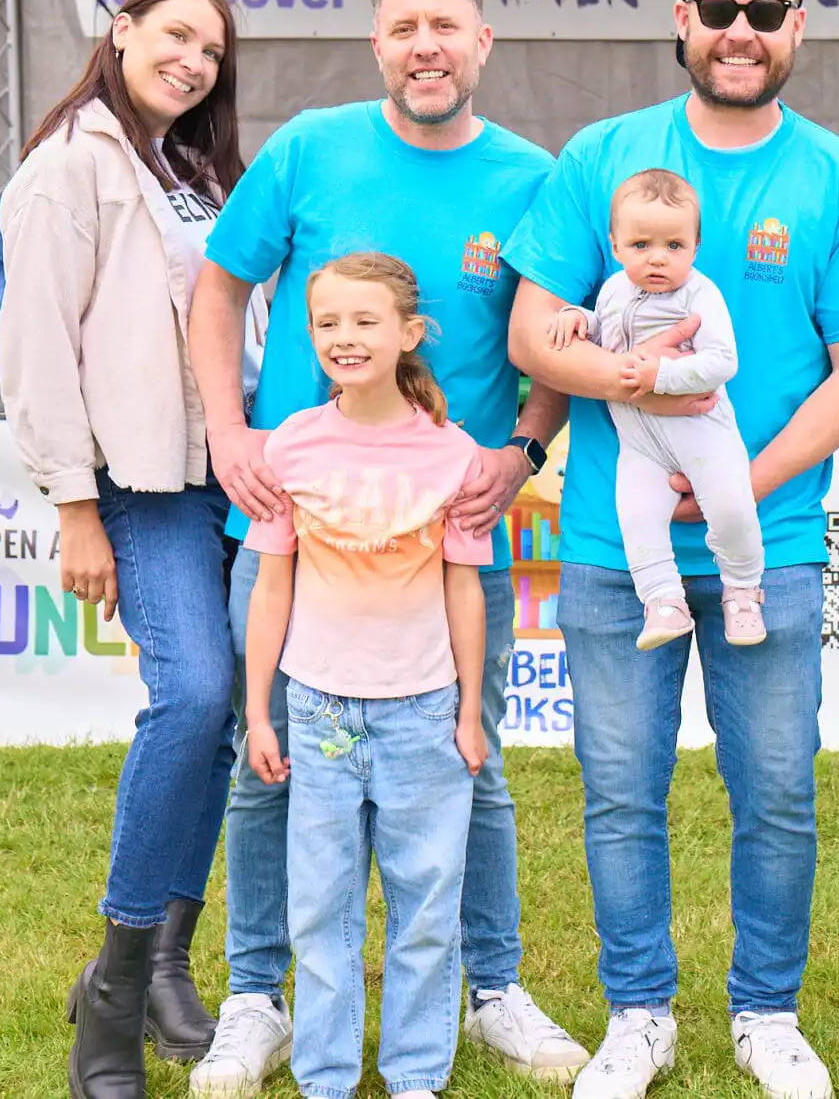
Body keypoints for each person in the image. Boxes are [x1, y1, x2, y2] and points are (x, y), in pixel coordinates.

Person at [504, 0, 839, 1099]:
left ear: (797, 30)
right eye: (718, 7)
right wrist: (636, 382)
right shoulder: (602, 156)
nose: (741, 29)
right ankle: (638, 1014)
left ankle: (766, 1014)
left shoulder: (838, 177)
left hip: (768, 540)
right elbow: (533, 331)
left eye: (766, 11)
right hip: (612, 542)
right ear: (680, 20)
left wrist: (740, 477)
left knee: (777, 794)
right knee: (619, 794)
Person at [185, 0, 589, 1095]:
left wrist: (522, 449)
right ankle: (257, 996)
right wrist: (229, 432)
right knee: (264, 759)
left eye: (444, 26)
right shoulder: (309, 149)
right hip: (294, 525)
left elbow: (554, 335)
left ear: (481, 44)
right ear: (376, 44)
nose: (424, 46)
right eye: (403, 27)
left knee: (472, 755)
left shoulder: (532, 178)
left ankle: (491, 986)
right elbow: (217, 289)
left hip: (448, 533)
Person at [0, 0, 258, 1097]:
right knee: (191, 696)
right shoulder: (70, 166)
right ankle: (110, 988)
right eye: (176, 36)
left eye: (212, 51)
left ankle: (163, 964)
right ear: (122, 31)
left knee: (223, 713)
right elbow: (34, 344)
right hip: (141, 482)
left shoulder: (190, 169)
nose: (194, 62)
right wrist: (72, 506)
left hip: (227, 477)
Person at [240, 253, 491, 1099]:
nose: (343, 337)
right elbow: (271, 585)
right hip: (318, 710)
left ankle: (416, 1074)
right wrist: (261, 711)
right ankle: (325, 1077)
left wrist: (467, 710)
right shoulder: (292, 445)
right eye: (327, 323)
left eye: (364, 321)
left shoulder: (452, 454)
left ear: (409, 333)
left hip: (422, 711)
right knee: (321, 906)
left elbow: (464, 588)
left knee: (427, 902)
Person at [546, 167, 764, 650]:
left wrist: (658, 377)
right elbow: (607, 331)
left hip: (703, 433)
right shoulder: (612, 290)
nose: (658, 258)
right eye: (641, 244)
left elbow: (722, 361)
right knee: (637, 517)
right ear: (616, 245)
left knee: (731, 506)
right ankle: (662, 600)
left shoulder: (700, 294)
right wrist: (579, 319)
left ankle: (744, 590)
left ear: (695, 247)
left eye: (674, 245)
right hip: (641, 444)